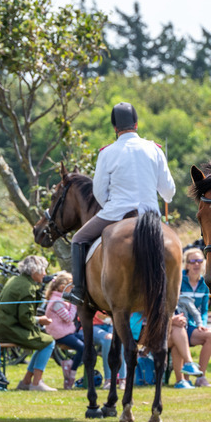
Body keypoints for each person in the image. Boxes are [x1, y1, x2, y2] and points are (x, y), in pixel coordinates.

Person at [64, 101, 176, 306]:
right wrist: (163, 199)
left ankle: (78, 291)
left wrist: (112, 205)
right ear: (137, 124)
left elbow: (98, 191)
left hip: (116, 213)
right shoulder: (154, 149)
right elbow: (169, 191)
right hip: (150, 215)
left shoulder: (107, 152)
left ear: (115, 128)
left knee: (78, 239)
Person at [0, 255, 55, 392]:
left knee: (42, 342)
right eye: (43, 270)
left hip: (2, 327)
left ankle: (26, 381)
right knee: (49, 342)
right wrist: (40, 320)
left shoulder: (15, 279)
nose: (45, 274)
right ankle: (37, 383)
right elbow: (25, 318)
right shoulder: (27, 288)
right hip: (10, 329)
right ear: (34, 271)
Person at [174, 247, 211, 386]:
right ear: (186, 264)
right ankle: (200, 377)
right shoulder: (179, 280)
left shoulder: (204, 284)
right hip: (181, 325)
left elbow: (204, 310)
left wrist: (202, 324)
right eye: (192, 261)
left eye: (199, 261)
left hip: (195, 325)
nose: (196, 264)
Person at [130, 311, 202, 388]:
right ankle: (185, 371)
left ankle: (182, 378)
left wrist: (174, 320)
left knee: (177, 334)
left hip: (158, 332)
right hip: (139, 331)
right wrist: (170, 321)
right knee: (177, 332)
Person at [42, 272, 86, 390]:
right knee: (82, 348)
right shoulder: (57, 301)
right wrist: (74, 304)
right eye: (71, 287)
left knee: (88, 342)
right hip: (59, 333)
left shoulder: (60, 299)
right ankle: (71, 374)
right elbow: (69, 318)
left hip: (66, 331)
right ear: (63, 287)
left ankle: (71, 365)